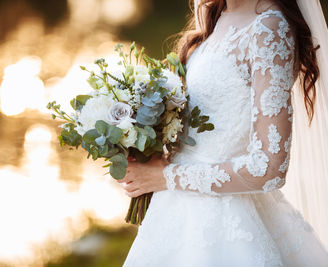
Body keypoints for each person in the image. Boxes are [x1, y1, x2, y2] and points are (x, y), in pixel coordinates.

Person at [118, 0, 328, 266]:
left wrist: (165, 177)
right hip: (177, 210)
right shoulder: (217, 13)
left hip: (229, 223)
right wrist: (148, 149)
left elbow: (270, 167)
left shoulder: (269, 28)